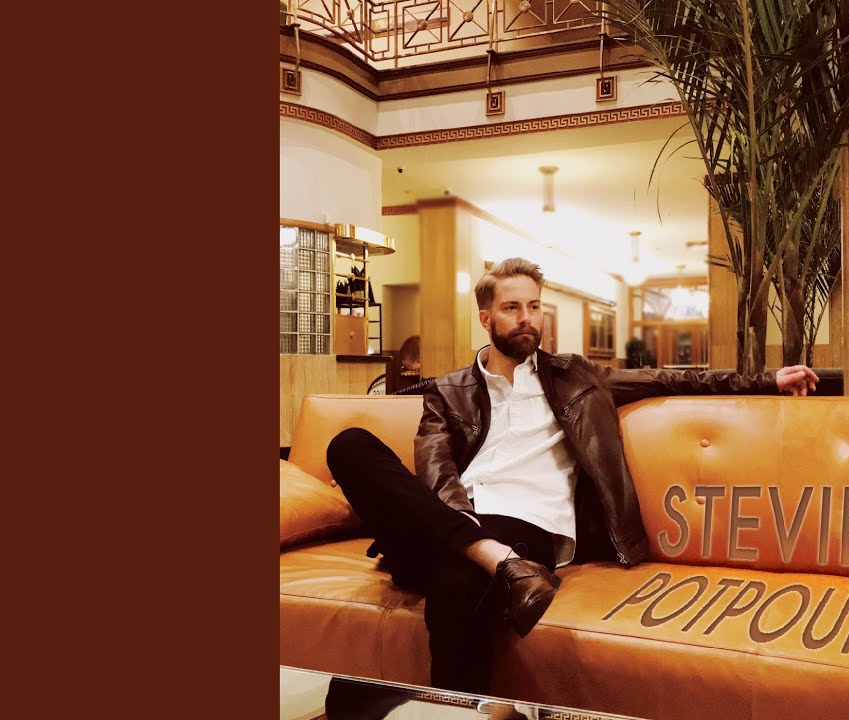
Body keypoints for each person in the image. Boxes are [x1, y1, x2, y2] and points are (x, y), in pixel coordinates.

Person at [325, 257, 819, 699]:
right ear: (485, 318)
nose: (527, 318)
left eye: (534, 306)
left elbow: (675, 378)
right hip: (461, 519)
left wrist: (768, 379)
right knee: (349, 446)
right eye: (512, 308)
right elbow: (436, 470)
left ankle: (421, 682)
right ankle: (495, 560)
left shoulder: (576, 375)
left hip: (529, 523)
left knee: (455, 582)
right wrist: (466, 528)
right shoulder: (448, 390)